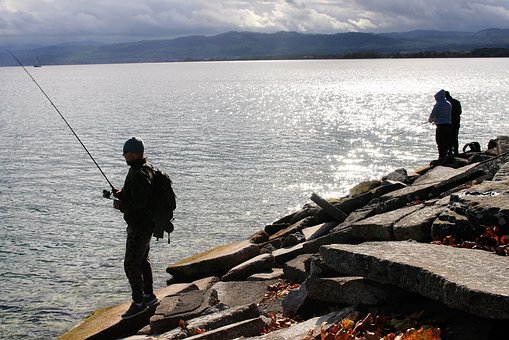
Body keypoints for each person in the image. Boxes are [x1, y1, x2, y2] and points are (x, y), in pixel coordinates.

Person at [113, 136, 158, 319]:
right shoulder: (143, 168)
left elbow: (139, 202)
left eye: (126, 152)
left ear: (134, 153)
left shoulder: (139, 173)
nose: (123, 155)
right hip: (146, 224)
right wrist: (122, 193)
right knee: (142, 260)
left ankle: (139, 303)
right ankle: (149, 295)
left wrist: (120, 205)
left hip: (139, 226)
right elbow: (139, 194)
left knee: (131, 263)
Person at [428, 89, 452, 163]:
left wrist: (430, 120)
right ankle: (445, 155)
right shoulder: (448, 104)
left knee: (440, 142)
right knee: (446, 141)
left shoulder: (438, 105)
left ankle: (441, 157)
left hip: (440, 126)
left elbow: (433, 115)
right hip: (448, 125)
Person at [444, 91, 462, 156]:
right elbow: (460, 112)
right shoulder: (457, 102)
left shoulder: (446, 103)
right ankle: (456, 151)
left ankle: (450, 151)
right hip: (456, 122)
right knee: (455, 136)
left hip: (448, 123)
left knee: (448, 137)